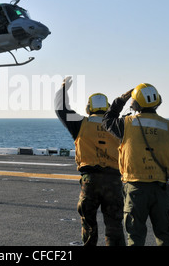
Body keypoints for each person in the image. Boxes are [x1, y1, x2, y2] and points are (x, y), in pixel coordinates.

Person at [102, 83, 169, 246]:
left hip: (135, 188)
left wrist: (120, 100)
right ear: (157, 102)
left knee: (135, 236)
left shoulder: (126, 123)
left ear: (135, 103)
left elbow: (107, 120)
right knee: (165, 235)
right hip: (161, 188)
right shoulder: (168, 127)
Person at [54, 76, 125, 246]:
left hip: (90, 180)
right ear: (107, 109)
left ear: (88, 108)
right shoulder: (118, 125)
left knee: (89, 225)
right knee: (114, 226)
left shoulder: (80, 123)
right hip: (114, 181)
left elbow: (60, 109)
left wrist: (63, 88)